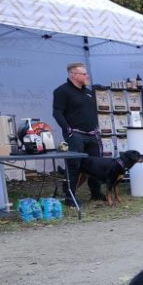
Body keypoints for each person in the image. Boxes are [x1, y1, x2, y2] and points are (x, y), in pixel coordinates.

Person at [52, 62, 104, 205]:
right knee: (74, 165)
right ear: (73, 75)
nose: (87, 76)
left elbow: (90, 112)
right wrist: (67, 129)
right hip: (75, 134)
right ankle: (69, 197)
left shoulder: (87, 92)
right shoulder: (61, 91)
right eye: (84, 74)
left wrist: (96, 127)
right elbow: (57, 112)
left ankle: (96, 193)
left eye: (86, 73)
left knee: (95, 164)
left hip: (92, 134)